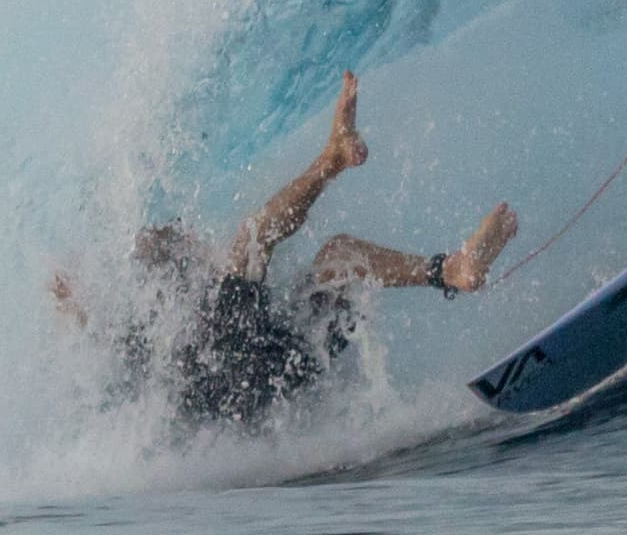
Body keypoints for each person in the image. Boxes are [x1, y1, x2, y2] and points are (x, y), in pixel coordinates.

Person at [54, 72, 519, 428]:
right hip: (251, 375)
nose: (193, 239)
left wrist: (77, 310)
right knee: (253, 237)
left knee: (337, 259)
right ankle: (332, 163)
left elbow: (107, 354)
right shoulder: (177, 317)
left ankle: (454, 269)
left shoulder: (147, 345)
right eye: (181, 239)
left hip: (269, 389)